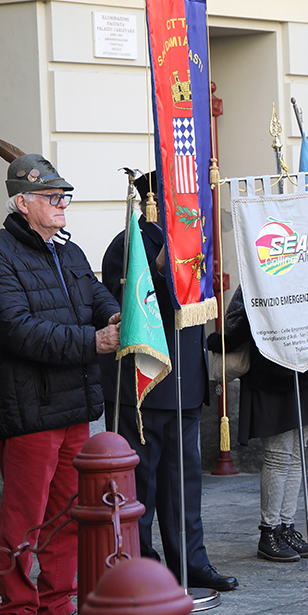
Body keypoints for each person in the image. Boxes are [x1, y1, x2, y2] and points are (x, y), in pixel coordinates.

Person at [0, 153, 120, 615]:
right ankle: (15, 614)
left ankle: (59, 605)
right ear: (22, 203)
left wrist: (122, 317)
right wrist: (92, 342)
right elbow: (16, 331)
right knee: (25, 520)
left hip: (74, 404)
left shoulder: (68, 251)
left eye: (64, 197)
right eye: (53, 198)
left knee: (66, 515)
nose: (63, 205)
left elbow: (97, 296)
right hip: (31, 410)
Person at [99, 174, 237, 592]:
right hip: (143, 388)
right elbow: (130, 309)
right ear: (155, 201)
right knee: (139, 489)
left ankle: (191, 563)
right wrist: (159, 268)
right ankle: (140, 567)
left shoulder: (191, 242)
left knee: (184, 487)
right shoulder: (128, 245)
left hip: (185, 387)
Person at [211, 289, 308, 561]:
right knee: (280, 457)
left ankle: (286, 527)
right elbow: (236, 325)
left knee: (297, 455)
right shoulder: (259, 266)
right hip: (272, 373)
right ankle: (269, 531)